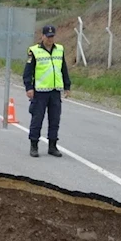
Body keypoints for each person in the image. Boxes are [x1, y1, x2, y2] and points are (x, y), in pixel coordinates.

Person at [22, 25, 71, 158]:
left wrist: (67, 86)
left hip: (55, 91)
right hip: (40, 91)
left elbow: (63, 69)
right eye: (48, 36)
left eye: (52, 36)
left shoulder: (59, 49)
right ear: (42, 36)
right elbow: (28, 72)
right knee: (37, 119)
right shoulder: (34, 51)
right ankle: (34, 145)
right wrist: (29, 87)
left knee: (55, 119)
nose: (50, 39)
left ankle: (52, 146)